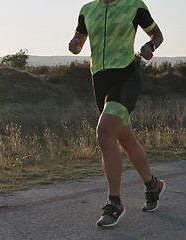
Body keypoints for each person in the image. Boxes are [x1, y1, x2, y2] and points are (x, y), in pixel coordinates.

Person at [68, 0, 166, 227]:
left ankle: (115, 204)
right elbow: (78, 43)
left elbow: (157, 34)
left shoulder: (133, 5)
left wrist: (150, 47)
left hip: (125, 77)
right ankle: (153, 185)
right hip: (99, 81)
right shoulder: (87, 10)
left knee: (104, 133)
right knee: (126, 139)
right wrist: (74, 45)